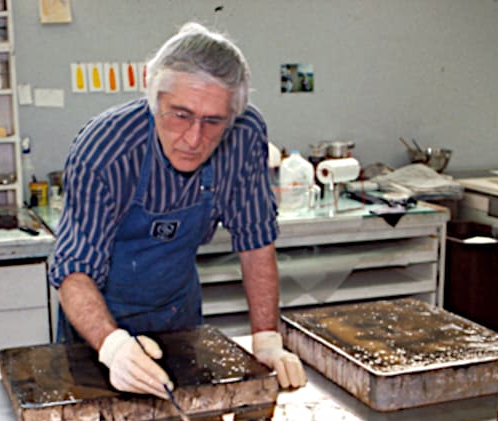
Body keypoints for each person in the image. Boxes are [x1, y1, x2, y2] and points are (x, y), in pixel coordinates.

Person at [50, 22, 306, 398]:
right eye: (180, 115)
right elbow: (73, 271)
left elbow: (256, 243)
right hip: (96, 330)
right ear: (153, 97)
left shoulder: (245, 134)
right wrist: (114, 348)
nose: (193, 138)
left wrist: (266, 339)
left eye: (213, 121)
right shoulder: (105, 149)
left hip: (179, 318)